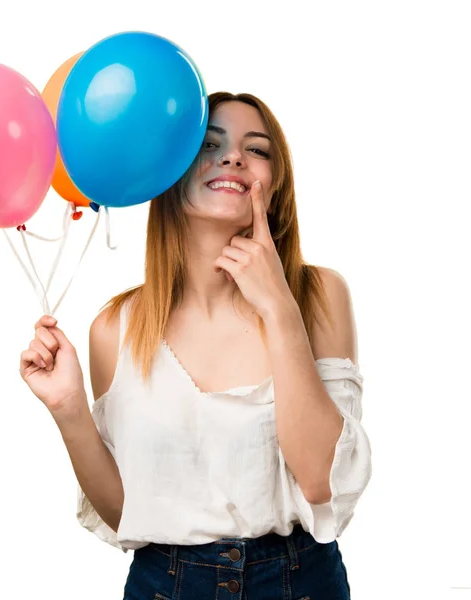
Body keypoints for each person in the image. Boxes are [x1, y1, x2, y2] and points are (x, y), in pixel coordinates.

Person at [19, 91, 372, 599]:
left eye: (257, 149)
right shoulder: (115, 328)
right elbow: (127, 514)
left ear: (274, 182)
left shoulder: (318, 295)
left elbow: (321, 483)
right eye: (209, 144)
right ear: (171, 169)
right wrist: (69, 409)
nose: (233, 157)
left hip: (302, 584)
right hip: (164, 586)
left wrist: (279, 310)